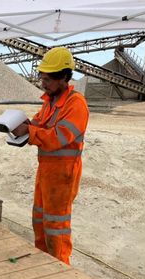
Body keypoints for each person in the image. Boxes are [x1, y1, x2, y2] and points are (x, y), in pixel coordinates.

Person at [12, 47, 89, 265]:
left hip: (63, 175)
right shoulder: (50, 102)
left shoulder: (76, 104)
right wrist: (22, 126)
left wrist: (29, 132)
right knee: (40, 220)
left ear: (64, 77)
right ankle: (45, 264)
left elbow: (59, 138)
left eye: (47, 79)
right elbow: (38, 125)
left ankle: (60, 269)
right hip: (46, 171)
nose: (42, 84)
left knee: (56, 226)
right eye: (41, 78)